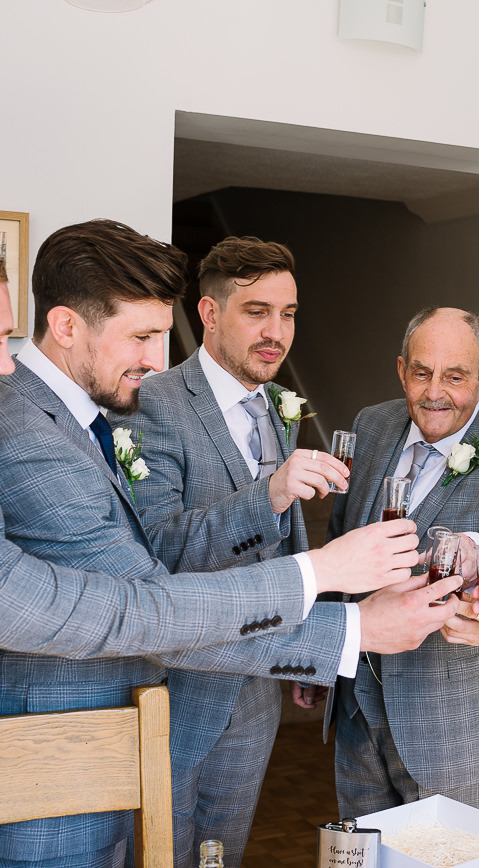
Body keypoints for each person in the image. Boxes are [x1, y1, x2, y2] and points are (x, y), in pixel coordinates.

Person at [0, 216, 430, 868]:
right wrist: (337, 601)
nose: (5, 363)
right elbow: (137, 611)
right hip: (34, 796)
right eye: (143, 335)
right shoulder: (9, 457)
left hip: (71, 770)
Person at [113, 236, 341, 867]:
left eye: (288, 313)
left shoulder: (277, 405)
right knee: (163, 850)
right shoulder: (153, 402)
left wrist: (304, 652)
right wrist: (268, 491)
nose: (276, 332)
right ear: (209, 314)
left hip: (261, 677)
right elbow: (157, 546)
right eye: (256, 311)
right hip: (179, 683)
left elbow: (286, 538)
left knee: (225, 849)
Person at [325, 306, 479, 817]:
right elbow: (340, 536)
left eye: (454, 377)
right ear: (402, 369)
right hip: (355, 699)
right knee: (358, 852)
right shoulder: (373, 423)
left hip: (449, 722)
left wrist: (478, 548)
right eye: (422, 373)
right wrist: (319, 657)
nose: (434, 392)